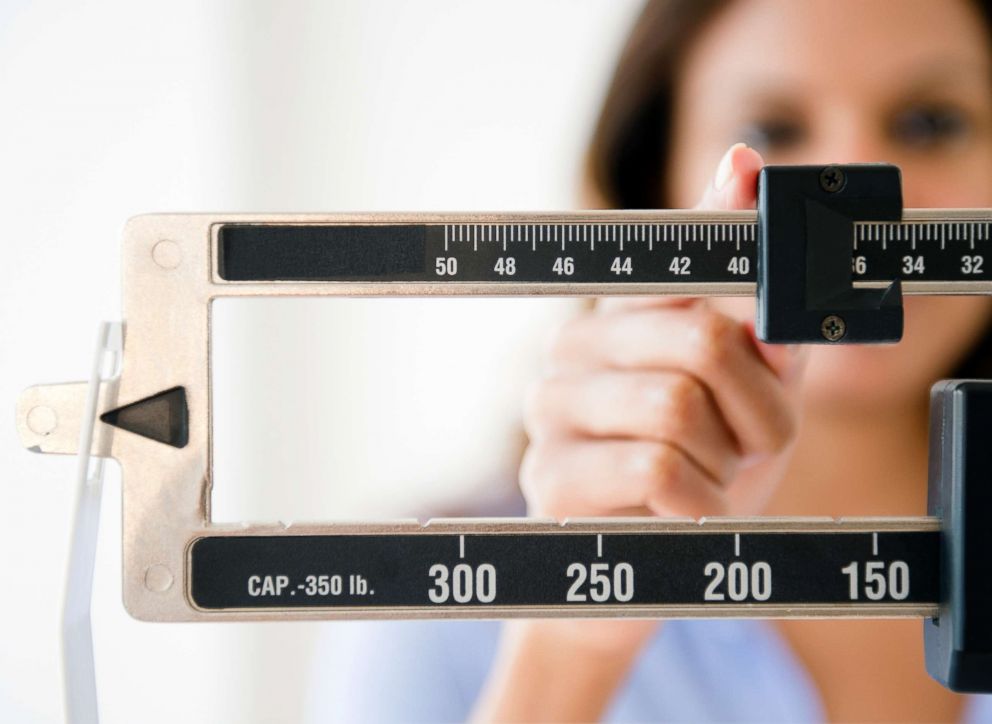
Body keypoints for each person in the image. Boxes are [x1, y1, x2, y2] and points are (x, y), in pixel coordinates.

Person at [306, 0, 992, 721]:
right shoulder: (428, 613)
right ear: (658, 191)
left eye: (931, 122)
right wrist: (576, 639)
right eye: (770, 131)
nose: (853, 188)